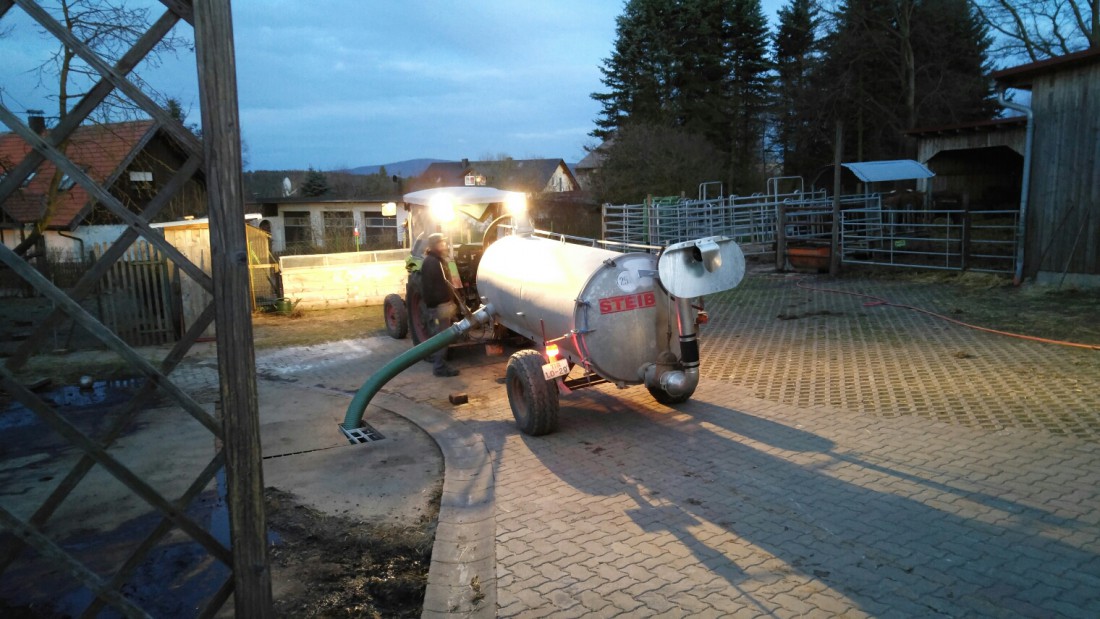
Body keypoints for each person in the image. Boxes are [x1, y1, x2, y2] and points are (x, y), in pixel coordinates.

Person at [421, 233, 460, 377]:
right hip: (439, 306)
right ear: (433, 246)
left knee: (442, 336)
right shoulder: (432, 263)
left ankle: (440, 363)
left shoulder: (437, 260)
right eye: (441, 243)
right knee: (442, 338)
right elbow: (435, 287)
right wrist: (445, 302)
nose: (444, 246)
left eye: (444, 243)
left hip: (440, 305)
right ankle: (439, 367)